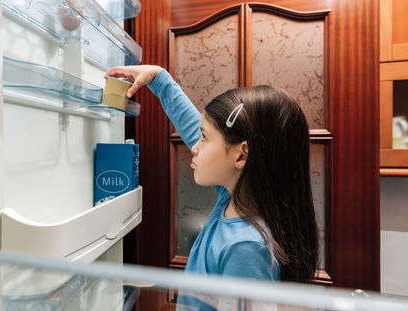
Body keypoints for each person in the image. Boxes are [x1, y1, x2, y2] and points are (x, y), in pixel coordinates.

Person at [105, 65, 318, 310]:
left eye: (204, 137)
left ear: (241, 156)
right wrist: (159, 79)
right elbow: (189, 124)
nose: (195, 146)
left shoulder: (246, 249)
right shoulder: (233, 198)